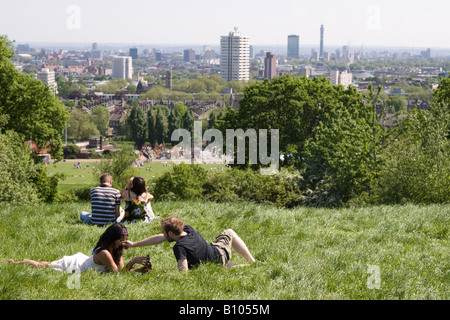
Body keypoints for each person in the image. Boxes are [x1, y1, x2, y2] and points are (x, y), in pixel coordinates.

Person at [123, 216, 257, 272]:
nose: (162, 234)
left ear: (170, 234)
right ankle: (250, 263)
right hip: (214, 259)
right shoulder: (188, 229)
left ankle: (252, 261)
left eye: (164, 232)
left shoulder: (179, 247)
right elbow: (160, 238)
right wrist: (134, 244)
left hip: (219, 253)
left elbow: (183, 271)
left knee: (229, 232)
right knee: (229, 233)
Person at [8, 223, 152, 273]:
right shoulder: (104, 253)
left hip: (83, 261)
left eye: (124, 240)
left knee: (45, 264)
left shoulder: (116, 251)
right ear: (112, 239)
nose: (123, 243)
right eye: (121, 240)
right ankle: (16, 263)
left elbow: (120, 271)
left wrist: (140, 269)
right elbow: (116, 274)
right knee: (42, 266)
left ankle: (24, 261)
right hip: (75, 266)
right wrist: (133, 261)